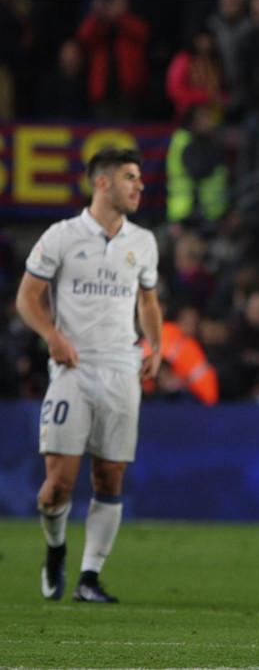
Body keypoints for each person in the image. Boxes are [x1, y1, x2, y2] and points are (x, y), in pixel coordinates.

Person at [18, 148, 162, 603]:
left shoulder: (144, 241)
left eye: (139, 179)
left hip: (122, 369)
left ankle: (89, 577)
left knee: (110, 477)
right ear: (101, 183)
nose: (139, 186)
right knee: (58, 482)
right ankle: (56, 547)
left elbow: (148, 301)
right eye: (130, 178)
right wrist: (52, 337)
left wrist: (154, 344)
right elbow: (27, 297)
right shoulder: (62, 236)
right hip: (73, 368)